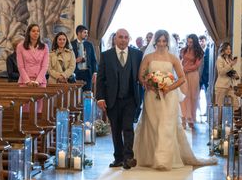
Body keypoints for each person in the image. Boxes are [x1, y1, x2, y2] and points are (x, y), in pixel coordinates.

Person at [133, 30, 216, 170]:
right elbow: (141, 76)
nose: (161, 43)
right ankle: (151, 156)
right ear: (155, 42)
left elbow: (182, 78)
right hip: (152, 96)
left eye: (164, 41)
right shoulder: (148, 57)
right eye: (159, 41)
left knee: (166, 125)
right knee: (153, 125)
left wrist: (169, 88)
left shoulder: (173, 58)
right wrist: (149, 83)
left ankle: (163, 160)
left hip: (168, 95)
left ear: (167, 42)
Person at [96, 28, 142, 170]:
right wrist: (100, 98)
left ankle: (128, 157)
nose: (123, 40)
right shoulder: (106, 55)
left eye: (125, 37)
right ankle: (118, 158)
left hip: (130, 98)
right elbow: (101, 79)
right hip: (112, 98)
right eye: (120, 37)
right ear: (115, 39)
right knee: (115, 129)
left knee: (128, 127)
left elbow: (142, 76)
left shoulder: (137, 55)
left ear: (129, 39)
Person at [180, 34, 204, 129]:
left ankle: (191, 119)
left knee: (193, 97)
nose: (189, 44)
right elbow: (181, 61)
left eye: (191, 42)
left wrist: (186, 69)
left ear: (195, 42)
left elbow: (196, 66)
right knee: (184, 96)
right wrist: (182, 68)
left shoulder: (199, 52)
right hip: (184, 75)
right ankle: (183, 118)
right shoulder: (184, 50)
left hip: (193, 75)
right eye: (188, 42)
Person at [71, 24, 97, 91]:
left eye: (87, 33)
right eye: (85, 32)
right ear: (79, 33)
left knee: (87, 95)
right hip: (75, 73)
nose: (86, 34)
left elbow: (93, 60)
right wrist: (75, 60)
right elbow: (67, 60)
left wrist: (95, 72)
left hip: (87, 73)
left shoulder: (89, 45)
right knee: (75, 94)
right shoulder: (71, 44)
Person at [214, 41, 239, 108]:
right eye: (227, 49)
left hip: (230, 85)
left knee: (236, 103)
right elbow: (221, 72)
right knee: (219, 106)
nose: (229, 50)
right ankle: (219, 118)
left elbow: (228, 72)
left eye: (230, 49)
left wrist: (235, 75)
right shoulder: (220, 59)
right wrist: (231, 64)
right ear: (223, 49)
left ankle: (234, 118)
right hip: (221, 85)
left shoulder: (229, 59)